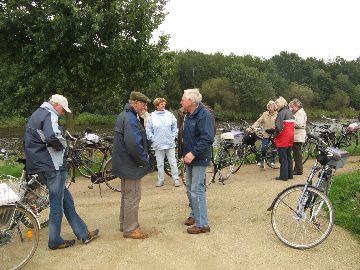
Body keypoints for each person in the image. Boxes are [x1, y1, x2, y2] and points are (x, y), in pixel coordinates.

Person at [24, 94, 99, 250]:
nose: (63, 113)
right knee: (57, 204)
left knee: (66, 200)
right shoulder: (49, 114)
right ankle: (54, 241)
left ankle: (83, 234)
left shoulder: (36, 114)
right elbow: (53, 136)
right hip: (52, 165)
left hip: (39, 165)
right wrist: (64, 146)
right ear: (56, 105)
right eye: (63, 110)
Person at [112, 91, 151, 239]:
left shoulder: (124, 115)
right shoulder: (130, 118)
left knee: (126, 195)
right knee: (133, 196)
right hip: (130, 165)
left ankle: (124, 223)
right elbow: (134, 144)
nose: (145, 107)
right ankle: (130, 228)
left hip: (123, 163)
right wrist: (143, 160)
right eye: (143, 104)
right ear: (135, 103)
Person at [181, 89, 215, 234]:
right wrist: (184, 153)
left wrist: (193, 153)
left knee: (197, 189)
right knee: (189, 187)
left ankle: (203, 224)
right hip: (190, 157)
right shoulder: (188, 114)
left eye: (183, 99)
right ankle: (195, 214)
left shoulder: (204, 115)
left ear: (191, 101)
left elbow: (208, 138)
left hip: (199, 157)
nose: (181, 101)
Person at [146, 98, 180, 187]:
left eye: (164, 104)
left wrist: (173, 137)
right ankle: (161, 180)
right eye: (161, 104)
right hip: (158, 144)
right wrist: (153, 138)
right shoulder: (151, 116)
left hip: (169, 143)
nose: (163, 105)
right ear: (157, 105)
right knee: (160, 164)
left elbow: (174, 127)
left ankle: (176, 179)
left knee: (173, 162)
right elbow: (149, 129)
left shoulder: (170, 115)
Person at [249, 100, 278, 168]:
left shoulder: (278, 114)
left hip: (274, 134)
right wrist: (252, 127)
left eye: (271, 107)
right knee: (263, 148)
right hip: (266, 134)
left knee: (274, 149)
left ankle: (272, 161)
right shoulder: (265, 114)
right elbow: (258, 122)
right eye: (269, 107)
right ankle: (262, 160)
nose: (270, 108)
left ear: (274, 107)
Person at [274, 96, 295, 181]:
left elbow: (278, 128)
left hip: (283, 138)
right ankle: (290, 175)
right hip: (290, 137)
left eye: (276, 105)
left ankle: (283, 176)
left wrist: (274, 134)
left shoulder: (281, 113)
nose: (276, 107)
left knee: (283, 158)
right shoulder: (290, 112)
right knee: (289, 157)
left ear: (279, 104)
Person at [289, 99, 307, 175]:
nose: (291, 108)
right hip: (297, 135)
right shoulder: (298, 112)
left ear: (297, 106)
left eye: (292, 107)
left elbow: (299, 124)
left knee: (297, 154)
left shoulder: (300, 113)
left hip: (298, 135)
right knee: (296, 153)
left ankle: (299, 170)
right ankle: (296, 169)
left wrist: (290, 121)